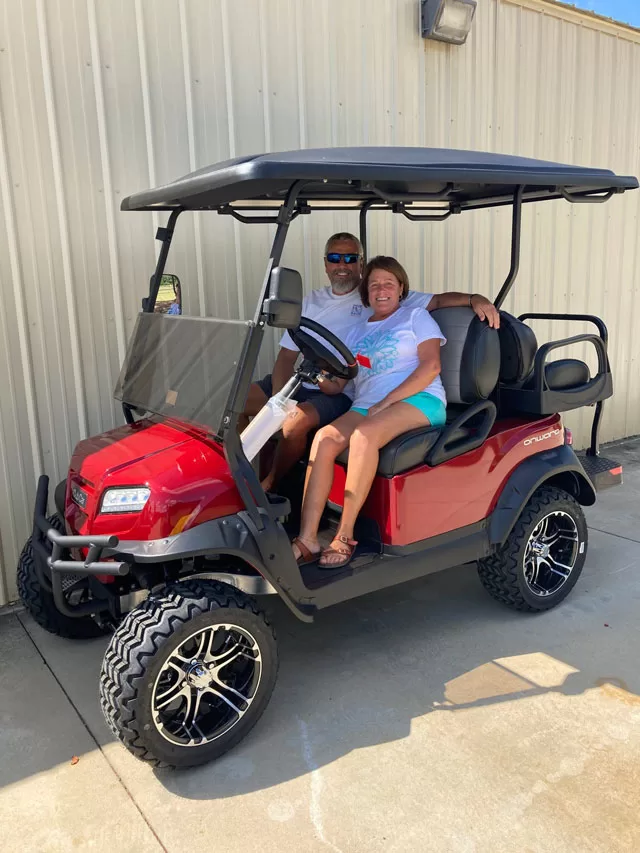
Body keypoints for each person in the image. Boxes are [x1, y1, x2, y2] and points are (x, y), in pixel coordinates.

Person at [242, 232, 499, 491]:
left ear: (360, 264)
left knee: (294, 422)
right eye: (335, 258)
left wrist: (473, 298)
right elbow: (286, 357)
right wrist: (278, 400)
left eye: (350, 258)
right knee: (237, 404)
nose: (342, 265)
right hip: (306, 379)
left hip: (338, 388)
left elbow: (439, 302)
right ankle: (237, 480)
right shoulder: (312, 301)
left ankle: (271, 488)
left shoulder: (379, 295)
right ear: (326, 264)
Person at [291, 256, 446, 569]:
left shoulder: (415, 317)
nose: (381, 289)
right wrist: (318, 375)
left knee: (363, 436)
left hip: (419, 399)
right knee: (323, 438)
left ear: (401, 288)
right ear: (367, 293)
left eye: (389, 283)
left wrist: (386, 402)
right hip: (368, 405)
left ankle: (344, 535)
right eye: (374, 284)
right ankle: (307, 538)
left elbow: (432, 365)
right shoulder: (355, 332)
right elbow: (339, 386)